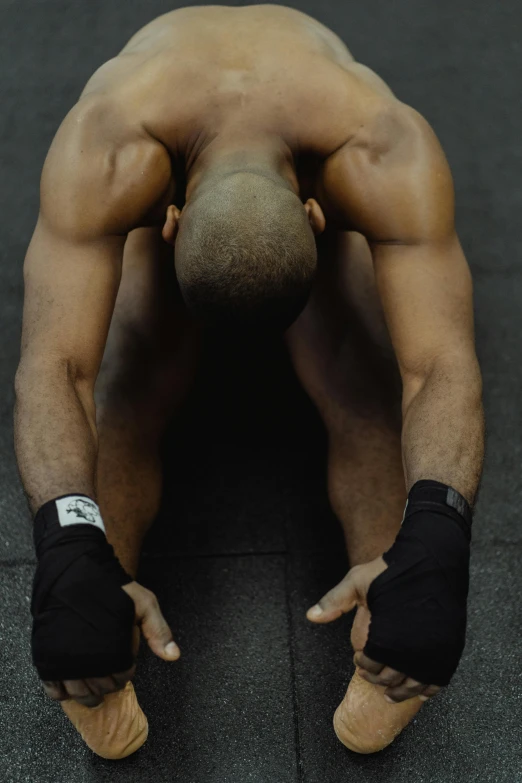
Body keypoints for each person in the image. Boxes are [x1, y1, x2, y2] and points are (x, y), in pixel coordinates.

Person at [14, 4, 484, 759]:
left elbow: (437, 366)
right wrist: (67, 546)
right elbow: (57, 367)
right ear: (167, 223)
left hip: (264, 188)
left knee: (360, 387)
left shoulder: (376, 149)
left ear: (319, 215)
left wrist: (436, 541)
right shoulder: (113, 147)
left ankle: (392, 637)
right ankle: (93, 614)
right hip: (186, 175)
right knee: (131, 383)